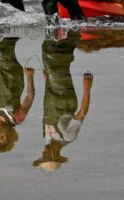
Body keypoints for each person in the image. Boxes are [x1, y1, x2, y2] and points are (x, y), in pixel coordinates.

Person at [33, 29, 93, 172]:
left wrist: (46, 80)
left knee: (47, 51)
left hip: (52, 85)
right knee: (55, 58)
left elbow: (47, 104)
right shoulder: (68, 136)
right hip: (64, 91)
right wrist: (87, 87)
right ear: (55, 156)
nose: (42, 154)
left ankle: (61, 27)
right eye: (45, 157)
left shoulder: (47, 138)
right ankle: (73, 31)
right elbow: (82, 113)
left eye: (42, 157)